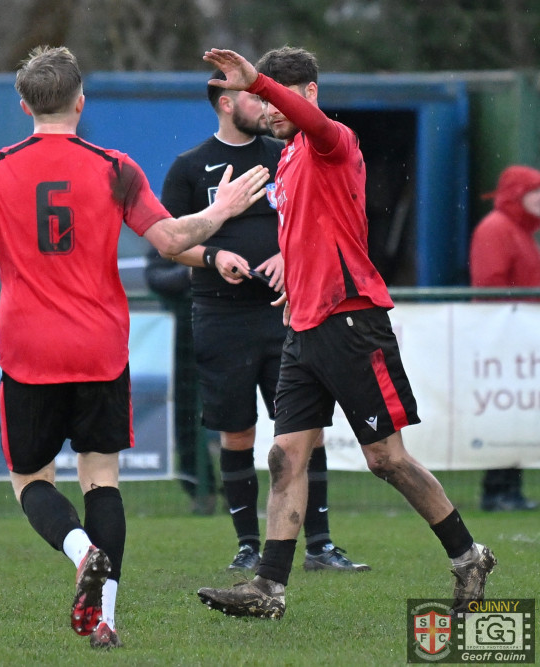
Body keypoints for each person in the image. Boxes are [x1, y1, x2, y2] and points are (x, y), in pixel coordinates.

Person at [0, 45, 270, 649]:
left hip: (29, 349)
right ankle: (106, 618)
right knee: (101, 479)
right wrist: (219, 212)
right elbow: (168, 241)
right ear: (82, 101)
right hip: (100, 347)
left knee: (31, 479)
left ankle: (80, 551)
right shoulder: (115, 167)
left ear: (23, 103)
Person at [195, 46, 495, 619]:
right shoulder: (285, 160)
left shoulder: (334, 141)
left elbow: (311, 127)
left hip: (351, 320)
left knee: (386, 460)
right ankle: (268, 589)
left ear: (308, 93)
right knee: (284, 456)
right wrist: (291, 262)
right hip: (302, 327)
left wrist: (256, 80)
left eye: (275, 98)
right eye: (261, 101)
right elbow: (314, 225)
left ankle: (467, 555)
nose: (267, 110)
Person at [161, 70, 368, 572]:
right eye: (254, 99)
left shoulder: (287, 155)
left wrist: (285, 254)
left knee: (303, 431)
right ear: (227, 105)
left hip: (285, 314)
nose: (267, 106)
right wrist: (213, 258)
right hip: (219, 317)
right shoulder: (189, 168)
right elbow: (169, 240)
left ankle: (319, 544)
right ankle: (247, 546)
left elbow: (318, 219)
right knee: (236, 434)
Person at [469, 165, 540, 512]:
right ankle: (498, 490)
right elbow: (491, 284)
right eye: (534, 190)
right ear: (516, 194)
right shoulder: (498, 228)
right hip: (504, 340)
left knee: (514, 411)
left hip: (518, 339)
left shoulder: (518, 230)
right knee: (503, 412)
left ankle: (508, 487)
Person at [143, 249, 218, 515]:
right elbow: (155, 275)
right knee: (185, 415)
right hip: (183, 336)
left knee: (237, 417)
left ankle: (240, 492)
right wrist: (193, 270)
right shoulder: (173, 219)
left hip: (229, 328)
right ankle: (200, 488)